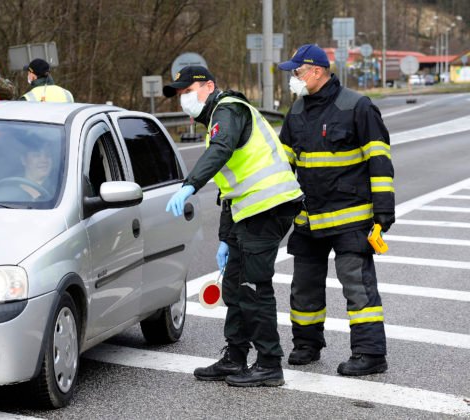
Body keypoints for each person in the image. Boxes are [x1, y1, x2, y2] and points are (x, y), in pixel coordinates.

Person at [163, 66, 303, 387]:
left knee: (253, 287)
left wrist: (190, 185)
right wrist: (225, 238)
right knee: (235, 286)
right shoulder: (217, 117)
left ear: (209, 86)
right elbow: (230, 190)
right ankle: (235, 357)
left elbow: (221, 150)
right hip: (251, 211)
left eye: (189, 90)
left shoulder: (228, 110)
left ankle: (269, 364)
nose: (184, 98)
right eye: (180, 94)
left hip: (269, 207)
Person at [277, 44, 395, 376]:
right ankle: (306, 344)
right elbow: (283, 165)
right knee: (304, 286)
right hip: (309, 218)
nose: (293, 78)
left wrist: (383, 210)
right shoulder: (296, 112)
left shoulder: (357, 107)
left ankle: (371, 354)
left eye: (296, 72)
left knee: (357, 286)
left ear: (315, 71)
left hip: (351, 219)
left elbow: (379, 159)